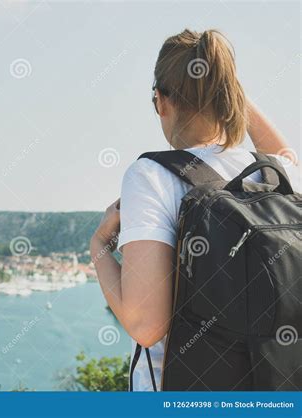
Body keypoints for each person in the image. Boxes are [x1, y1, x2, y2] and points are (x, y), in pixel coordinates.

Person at [90, 29, 300, 392]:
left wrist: (98, 247)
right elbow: (287, 157)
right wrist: (224, 88)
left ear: (161, 101)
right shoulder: (280, 177)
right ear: (230, 97)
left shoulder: (152, 176)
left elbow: (146, 325)